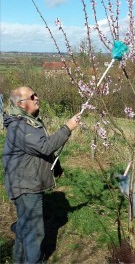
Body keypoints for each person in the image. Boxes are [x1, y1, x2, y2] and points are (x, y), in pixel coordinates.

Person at [2, 86, 81, 263]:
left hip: (24, 183)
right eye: (32, 96)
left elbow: (40, 149)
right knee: (35, 232)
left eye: (36, 94)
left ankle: (20, 260)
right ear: (22, 104)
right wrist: (67, 127)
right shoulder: (20, 126)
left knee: (25, 225)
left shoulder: (29, 121)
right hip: (26, 186)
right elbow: (45, 146)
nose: (37, 97)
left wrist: (56, 167)